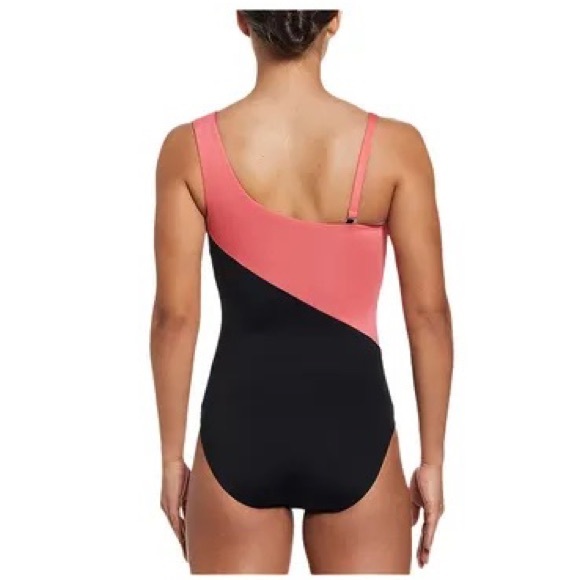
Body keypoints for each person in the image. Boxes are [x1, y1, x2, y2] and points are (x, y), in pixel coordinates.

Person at [150, 9, 453, 574]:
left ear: (243, 20)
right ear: (333, 20)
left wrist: (171, 458)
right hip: (355, 427)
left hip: (238, 427)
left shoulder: (190, 149)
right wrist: (431, 461)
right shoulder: (396, 148)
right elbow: (428, 315)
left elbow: (175, 318)